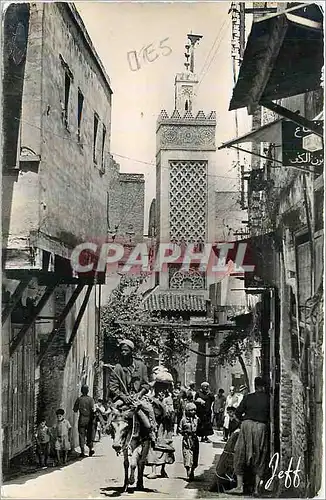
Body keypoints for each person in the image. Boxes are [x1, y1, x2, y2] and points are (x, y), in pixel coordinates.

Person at [227, 376, 269, 497]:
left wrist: (242, 422)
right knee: (260, 456)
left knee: (240, 453)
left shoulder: (248, 397)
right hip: (261, 427)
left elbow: (238, 413)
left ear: (255, 386)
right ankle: (257, 489)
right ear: (264, 386)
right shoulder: (268, 398)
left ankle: (240, 486)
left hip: (246, 425)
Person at [109, 339, 157, 443]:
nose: (123, 352)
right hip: (123, 398)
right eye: (122, 350)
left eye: (126, 350)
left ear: (131, 351)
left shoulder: (141, 366)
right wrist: (124, 397)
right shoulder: (117, 368)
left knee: (149, 410)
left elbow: (146, 384)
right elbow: (113, 387)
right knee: (112, 411)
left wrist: (139, 394)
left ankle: (153, 432)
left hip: (138, 398)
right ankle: (112, 434)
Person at [146, 381, 175, 480]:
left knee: (164, 447)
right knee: (153, 446)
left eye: (163, 390)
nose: (161, 392)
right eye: (159, 390)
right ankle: (153, 471)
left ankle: (163, 469)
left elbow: (171, 414)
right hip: (155, 426)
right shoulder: (151, 399)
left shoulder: (168, 400)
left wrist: (165, 408)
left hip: (165, 427)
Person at [210, 408, 241, 493]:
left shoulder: (236, 420)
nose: (230, 414)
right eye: (229, 413)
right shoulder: (230, 420)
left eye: (231, 413)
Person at [179, 402, 199, 481]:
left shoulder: (197, 419)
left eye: (194, 410)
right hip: (186, 439)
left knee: (195, 455)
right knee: (187, 455)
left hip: (194, 439)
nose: (193, 412)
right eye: (191, 410)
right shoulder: (183, 420)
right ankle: (188, 471)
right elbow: (180, 429)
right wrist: (184, 433)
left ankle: (193, 471)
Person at [73, 384, 95, 457]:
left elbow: (75, 410)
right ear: (88, 391)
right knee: (89, 434)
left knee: (81, 435)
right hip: (89, 419)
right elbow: (93, 409)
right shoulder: (91, 399)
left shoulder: (79, 399)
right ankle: (90, 449)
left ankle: (82, 452)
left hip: (82, 419)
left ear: (81, 391)